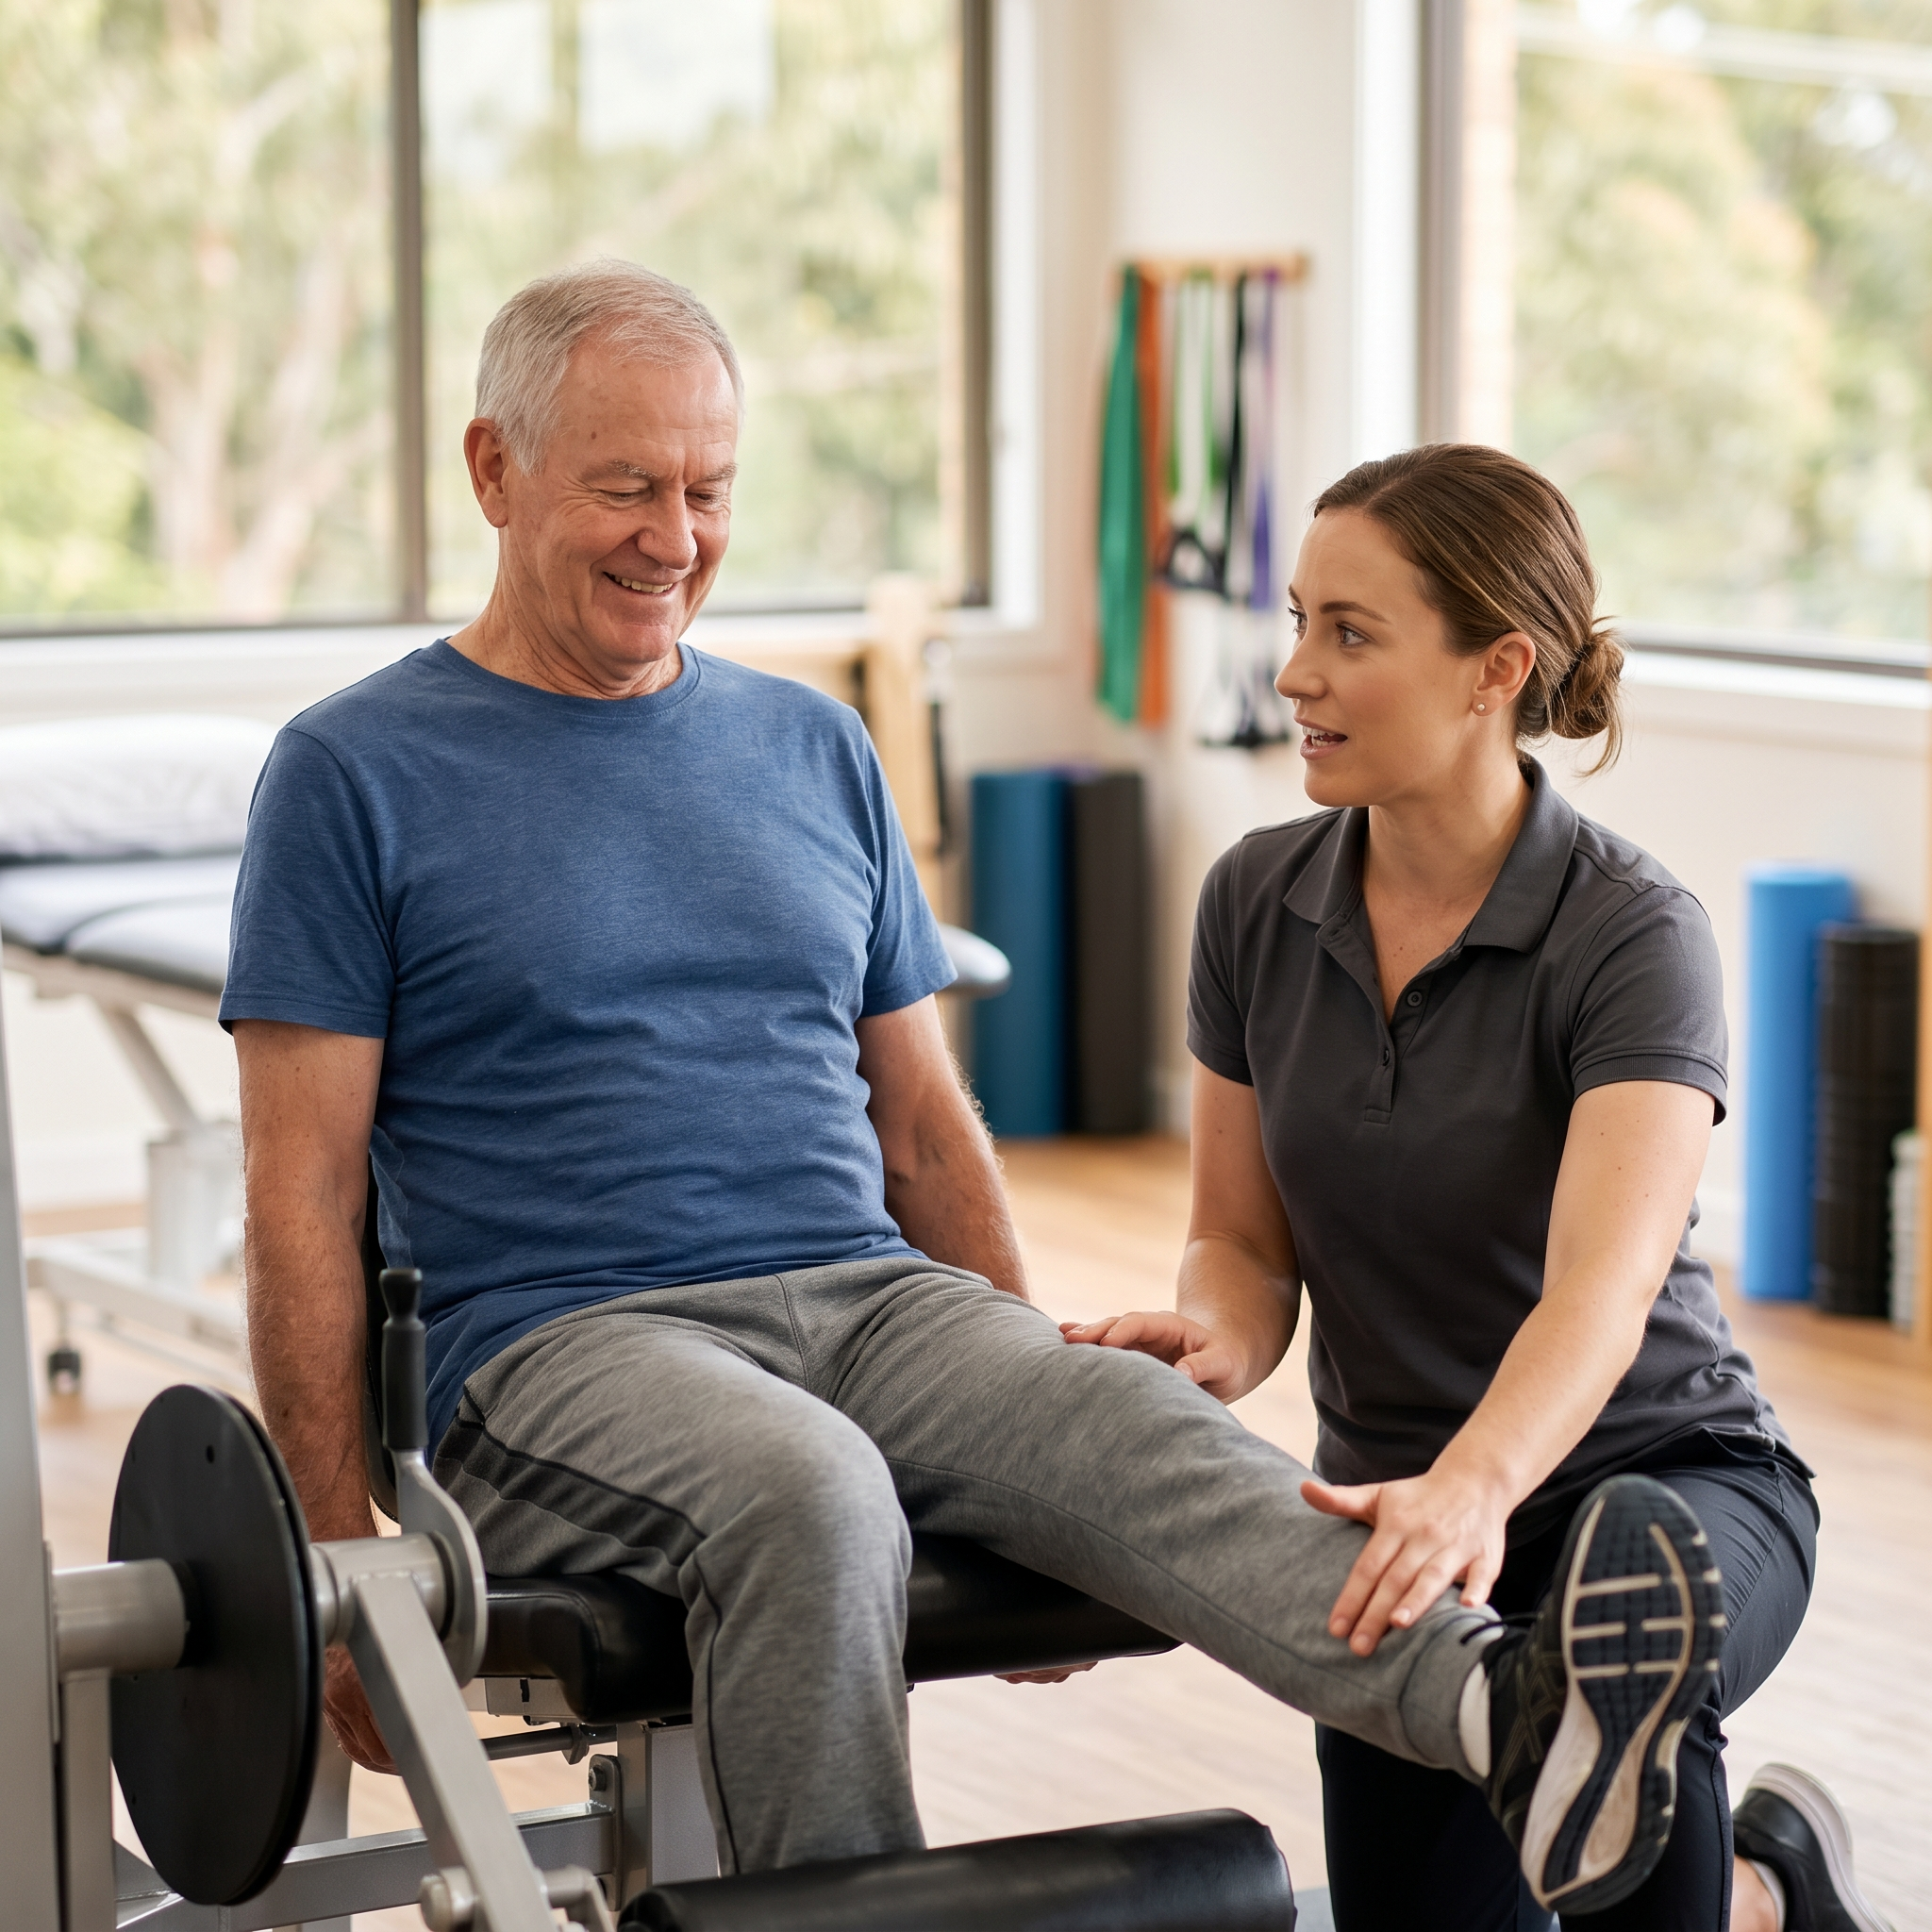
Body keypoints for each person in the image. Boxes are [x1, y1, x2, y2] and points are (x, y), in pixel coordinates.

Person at [227, 263, 1715, 1913]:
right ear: (494, 472)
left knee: (1123, 1410)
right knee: (806, 1494)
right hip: (564, 1343)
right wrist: (327, 1562)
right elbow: (301, 1193)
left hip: (867, 1300)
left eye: (709, 492)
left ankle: (1503, 1709)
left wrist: (1033, 1430)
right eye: (624, 487)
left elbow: (924, 1124)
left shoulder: (814, 750)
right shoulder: (353, 773)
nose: (675, 538)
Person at [1067, 444, 1888, 1932]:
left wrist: (1476, 1491)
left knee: (1621, 1672)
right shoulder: (1254, 899)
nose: (1295, 674)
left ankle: (1729, 1887)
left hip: (1659, 1492)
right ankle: (1774, 1898)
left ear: (1493, 668)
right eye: (1300, 621)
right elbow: (1240, 1239)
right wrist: (1219, 1342)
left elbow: (1605, 1284)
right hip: (1403, 1521)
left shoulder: (1632, 933)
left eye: (1351, 634)